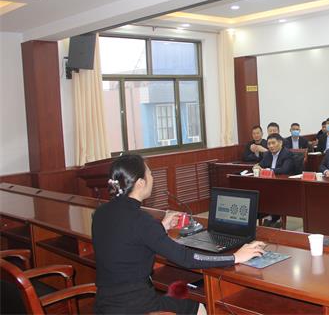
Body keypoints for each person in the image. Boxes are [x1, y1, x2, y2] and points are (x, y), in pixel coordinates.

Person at [92, 155, 265, 315]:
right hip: (137, 307)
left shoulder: (100, 213)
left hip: (104, 305)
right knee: (199, 307)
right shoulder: (142, 221)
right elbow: (187, 258)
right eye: (150, 174)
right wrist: (235, 257)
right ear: (140, 183)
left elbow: (126, 237)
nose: (153, 178)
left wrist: (160, 226)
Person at [254, 134, 294, 227]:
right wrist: (256, 167)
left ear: (280, 143)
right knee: (258, 189)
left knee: (272, 191)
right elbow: (260, 165)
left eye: (273, 143)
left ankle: (275, 217)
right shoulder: (267, 154)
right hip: (269, 183)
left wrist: (268, 170)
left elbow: (285, 170)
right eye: (269, 144)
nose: (271, 146)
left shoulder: (287, 154)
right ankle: (264, 214)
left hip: (284, 184)